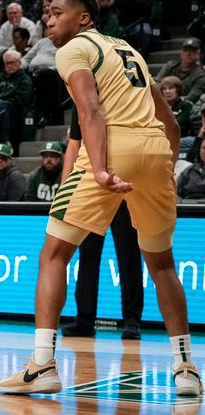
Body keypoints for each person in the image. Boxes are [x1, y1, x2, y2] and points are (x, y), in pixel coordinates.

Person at [0, 0, 201, 397]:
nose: (49, 21)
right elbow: (170, 120)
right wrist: (162, 163)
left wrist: (103, 168)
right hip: (156, 149)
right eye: (46, 15)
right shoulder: (126, 48)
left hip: (114, 148)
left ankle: (42, 366)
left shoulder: (73, 50)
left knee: (53, 254)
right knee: (162, 265)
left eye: (57, 13)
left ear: (85, 18)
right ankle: (186, 369)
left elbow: (90, 112)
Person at [61, 108, 144, 340]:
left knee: (128, 254)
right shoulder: (80, 99)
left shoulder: (121, 95)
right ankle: (85, 320)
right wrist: (64, 188)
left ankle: (132, 321)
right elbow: (74, 144)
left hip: (122, 183)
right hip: (91, 186)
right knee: (87, 255)